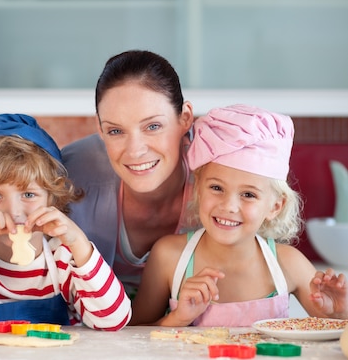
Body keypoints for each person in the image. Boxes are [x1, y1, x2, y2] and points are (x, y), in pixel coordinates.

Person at [130, 104, 348, 326]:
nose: (229, 206)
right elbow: (132, 337)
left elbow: (332, 331)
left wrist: (339, 313)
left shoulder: (289, 264)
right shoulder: (169, 256)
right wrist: (179, 318)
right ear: (198, 189)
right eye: (216, 188)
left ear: (275, 206)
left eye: (248, 194)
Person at [0, 114, 131, 330]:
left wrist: (78, 242)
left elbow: (113, 320)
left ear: (51, 198)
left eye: (28, 194)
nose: (14, 211)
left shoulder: (63, 258)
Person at [61, 50, 200, 300]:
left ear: (185, 118)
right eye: (115, 131)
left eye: (153, 126)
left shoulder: (218, 176)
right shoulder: (70, 176)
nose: (135, 151)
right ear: (100, 129)